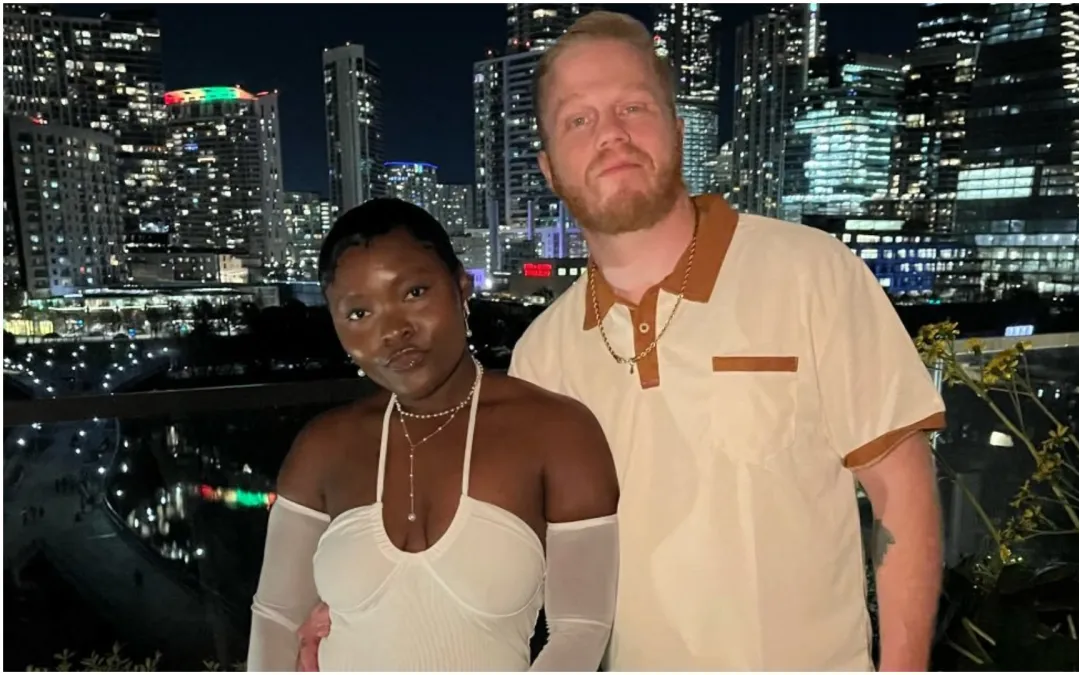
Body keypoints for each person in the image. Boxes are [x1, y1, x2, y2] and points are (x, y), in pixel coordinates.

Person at [508, 10, 946, 672]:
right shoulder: (541, 357)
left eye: (633, 106)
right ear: (548, 168)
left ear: (678, 128)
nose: (612, 133)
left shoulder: (810, 272)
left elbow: (900, 488)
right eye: (579, 119)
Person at [246, 198, 620, 672]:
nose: (393, 331)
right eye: (359, 314)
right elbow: (276, 616)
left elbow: (582, 627)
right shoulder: (323, 447)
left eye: (415, 292)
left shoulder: (558, 433)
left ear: (462, 287)